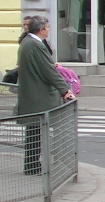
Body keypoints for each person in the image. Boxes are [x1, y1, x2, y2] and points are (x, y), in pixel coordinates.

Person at [16, 16, 75, 175]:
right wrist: (65, 90)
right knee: (36, 133)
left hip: (32, 94)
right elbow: (48, 71)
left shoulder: (28, 43)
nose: (49, 30)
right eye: (47, 27)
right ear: (41, 30)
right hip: (38, 95)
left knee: (34, 133)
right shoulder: (35, 45)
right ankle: (33, 166)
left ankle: (32, 165)